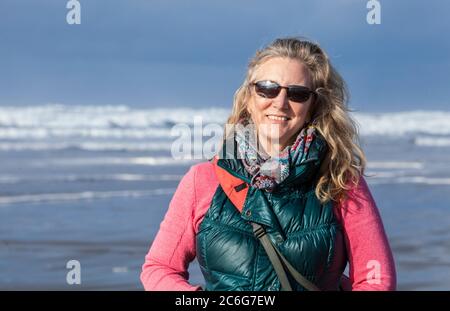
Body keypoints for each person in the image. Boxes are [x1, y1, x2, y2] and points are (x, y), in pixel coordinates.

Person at [140, 37, 396, 291]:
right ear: (249, 97)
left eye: (297, 94)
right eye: (267, 88)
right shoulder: (203, 180)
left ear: (313, 104)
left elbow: (376, 280)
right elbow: (159, 268)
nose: (280, 102)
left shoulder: (341, 181)